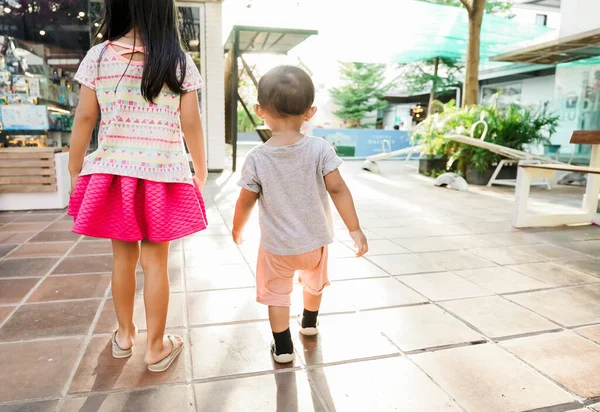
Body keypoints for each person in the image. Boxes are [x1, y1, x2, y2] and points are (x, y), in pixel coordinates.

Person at [67, 0, 208, 373]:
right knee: (156, 262)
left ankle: (125, 336)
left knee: (123, 259)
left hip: (116, 175)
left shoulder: (98, 57)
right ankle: (157, 347)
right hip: (162, 175)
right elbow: (191, 123)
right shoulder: (177, 61)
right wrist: (201, 167)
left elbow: (84, 117)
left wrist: (74, 166)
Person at [232, 66, 368, 364]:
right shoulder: (320, 149)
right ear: (310, 112)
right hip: (315, 244)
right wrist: (354, 229)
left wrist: (237, 228)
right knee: (313, 283)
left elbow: (245, 201)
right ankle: (309, 322)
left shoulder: (257, 158)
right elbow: (338, 190)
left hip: (277, 248)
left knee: (277, 295)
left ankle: (282, 347)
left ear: (258, 110)